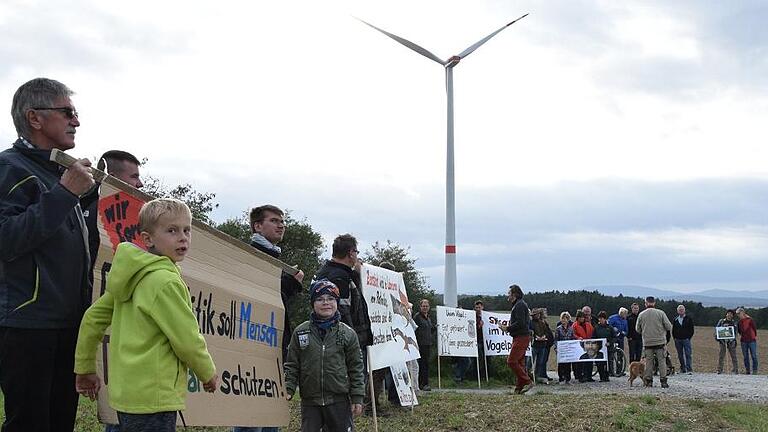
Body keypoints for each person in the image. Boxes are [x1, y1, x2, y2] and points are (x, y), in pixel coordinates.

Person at [0, 77, 95, 431]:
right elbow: (6, 240)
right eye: (67, 112)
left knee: (60, 422)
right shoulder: (10, 168)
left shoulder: (57, 173)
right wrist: (64, 193)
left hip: (67, 324)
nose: (76, 121)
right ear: (35, 118)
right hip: (28, 325)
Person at [74, 198, 218, 431]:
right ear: (147, 239)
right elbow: (187, 339)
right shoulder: (166, 281)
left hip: (125, 394)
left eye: (187, 230)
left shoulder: (129, 277)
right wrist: (207, 372)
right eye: (172, 230)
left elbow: (92, 320)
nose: (183, 237)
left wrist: (84, 368)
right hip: (155, 397)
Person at [233, 205, 305, 432]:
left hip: (271, 342)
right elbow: (260, 295)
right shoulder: (253, 255)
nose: (281, 224)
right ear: (257, 226)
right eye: (274, 220)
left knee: (269, 411)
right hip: (256, 344)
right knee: (253, 412)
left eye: (282, 220)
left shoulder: (272, 256)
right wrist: (292, 284)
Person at [284, 279, 364, 432]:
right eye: (320, 299)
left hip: (339, 401)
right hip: (310, 402)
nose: (325, 303)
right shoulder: (301, 331)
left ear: (337, 302)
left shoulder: (348, 333)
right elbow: (292, 365)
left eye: (330, 299)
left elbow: (356, 368)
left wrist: (357, 397)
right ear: (313, 303)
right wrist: (288, 388)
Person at [314, 235, 373, 408]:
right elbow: (343, 314)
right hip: (342, 344)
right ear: (351, 253)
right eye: (356, 251)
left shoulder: (327, 271)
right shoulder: (340, 277)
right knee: (344, 392)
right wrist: (352, 342)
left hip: (329, 342)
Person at [499, 284, 532, 394]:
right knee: (519, 363)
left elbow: (521, 323)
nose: (508, 295)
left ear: (515, 294)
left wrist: (507, 328)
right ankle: (519, 388)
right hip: (521, 336)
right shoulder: (519, 304)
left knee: (511, 361)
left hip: (521, 337)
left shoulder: (519, 305)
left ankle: (527, 381)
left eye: (509, 293)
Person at [636, 296, 673, 388]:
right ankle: (663, 381)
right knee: (662, 362)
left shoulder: (641, 314)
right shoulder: (661, 313)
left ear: (646, 303)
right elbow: (668, 326)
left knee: (649, 362)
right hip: (660, 342)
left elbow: (637, 329)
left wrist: (645, 332)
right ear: (654, 303)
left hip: (647, 342)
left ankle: (649, 381)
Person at [413, 298, 434, 391]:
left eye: (426, 306)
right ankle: (422, 384)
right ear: (420, 307)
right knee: (421, 365)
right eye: (423, 306)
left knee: (426, 364)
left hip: (427, 344)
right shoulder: (417, 317)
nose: (425, 308)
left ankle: (425, 383)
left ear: (429, 307)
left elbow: (429, 330)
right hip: (420, 344)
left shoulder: (428, 318)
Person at [530, 308, 554, 383]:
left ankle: (538, 376)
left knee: (540, 362)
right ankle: (530, 377)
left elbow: (546, 332)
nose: (537, 316)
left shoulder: (542, 323)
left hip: (542, 345)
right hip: (534, 345)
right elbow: (530, 332)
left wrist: (544, 336)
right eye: (535, 315)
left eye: (537, 314)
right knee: (531, 362)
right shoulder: (530, 323)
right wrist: (535, 337)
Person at [571, 310, 595, 383]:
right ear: (577, 318)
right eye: (581, 317)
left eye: (583, 317)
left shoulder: (588, 325)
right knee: (580, 362)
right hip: (579, 345)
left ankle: (589, 376)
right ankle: (580, 376)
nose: (582, 319)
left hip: (588, 344)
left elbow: (593, 332)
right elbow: (572, 334)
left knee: (589, 361)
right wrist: (578, 338)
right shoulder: (574, 325)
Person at [592, 311, 615, 382]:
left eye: (602, 318)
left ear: (605, 319)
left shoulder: (610, 328)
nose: (600, 320)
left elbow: (614, 337)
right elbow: (593, 337)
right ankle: (602, 377)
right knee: (599, 363)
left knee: (607, 363)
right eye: (599, 318)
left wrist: (609, 343)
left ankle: (606, 376)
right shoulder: (596, 328)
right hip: (599, 349)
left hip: (608, 348)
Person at [672, 304, 694, 374]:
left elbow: (692, 330)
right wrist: (675, 338)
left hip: (686, 339)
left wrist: (688, 337)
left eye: (682, 310)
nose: (681, 311)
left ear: (684, 310)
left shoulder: (689, 319)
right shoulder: (675, 319)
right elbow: (673, 330)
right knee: (680, 355)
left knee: (688, 354)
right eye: (679, 310)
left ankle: (689, 369)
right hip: (678, 340)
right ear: (677, 311)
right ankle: (682, 368)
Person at [735, 307, 758, 375]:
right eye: (737, 314)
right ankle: (747, 370)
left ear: (743, 312)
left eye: (739, 313)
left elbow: (754, 329)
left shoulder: (750, 320)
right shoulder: (739, 322)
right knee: (745, 356)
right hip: (743, 341)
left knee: (754, 356)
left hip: (752, 340)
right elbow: (739, 331)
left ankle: (755, 370)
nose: (738, 315)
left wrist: (752, 336)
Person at [715, 309, 738, 375]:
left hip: (731, 342)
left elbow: (735, 332)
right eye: (728, 313)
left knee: (733, 356)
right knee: (721, 356)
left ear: (733, 315)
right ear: (726, 314)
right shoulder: (721, 321)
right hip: (722, 341)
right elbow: (717, 330)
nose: (729, 315)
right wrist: (718, 338)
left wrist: (732, 340)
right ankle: (719, 370)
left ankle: (735, 370)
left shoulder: (734, 323)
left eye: (731, 314)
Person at [554, 311, 574, 384]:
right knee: (561, 364)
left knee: (568, 365)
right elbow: (556, 339)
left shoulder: (571, 329)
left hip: (568, 350)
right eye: (562, 319)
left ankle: (568, 379)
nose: (563, 320)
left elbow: (573, 338)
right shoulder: (558, 329)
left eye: (565, 319)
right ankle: (561, 379)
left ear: (568, 319)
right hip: (561, 350)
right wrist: (556, 348)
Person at [608, 307, 628, 376]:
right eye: (625, 314)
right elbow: (608, 325)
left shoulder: (625, 320)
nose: (626, 315)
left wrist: (624, 333)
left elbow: (626, 330)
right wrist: (613, 329)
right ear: (621, 313)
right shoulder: (613, 318)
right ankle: (611, 371)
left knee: (620, 355)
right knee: (611, 355)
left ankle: (619, 371)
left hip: (621, 339)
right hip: (613, 338)